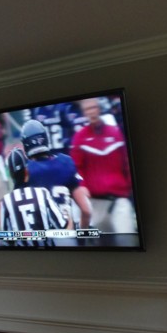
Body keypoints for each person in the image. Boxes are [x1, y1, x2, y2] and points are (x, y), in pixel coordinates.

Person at [70, 98, 136, 234]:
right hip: (95, 203)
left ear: (99, 109)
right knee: (104, 245)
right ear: (84, 113)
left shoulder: (115, 133)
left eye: (94, 107)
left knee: (127, 239)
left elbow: (126, 163)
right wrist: (82, 186)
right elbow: (76, 168)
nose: (92, 112)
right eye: (88, 109)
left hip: (119, 201)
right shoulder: (80, 137)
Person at [20, 119, 92, 229]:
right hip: (68, 235)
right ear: (45, 138)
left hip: (42, 238)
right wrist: (82, 233)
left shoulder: (26, 170)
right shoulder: (65, 162)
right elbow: (86, 210)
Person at [0, 148, 68, 247]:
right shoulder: (42, 193)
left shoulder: (6, 201)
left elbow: (6, 239)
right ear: (27, 171)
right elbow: (61, 226)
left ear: (11, 174)